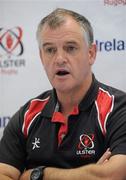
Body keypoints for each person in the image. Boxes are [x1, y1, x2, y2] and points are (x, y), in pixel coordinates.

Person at [0, 8, 126, 180]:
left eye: (70, 48)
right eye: (50, 50)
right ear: (41, 57)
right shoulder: (27, 115)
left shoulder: (118, 108)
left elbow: (114, 175)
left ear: (91, 53)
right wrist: (89, 175)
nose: (59, 59)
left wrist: (37, 174)